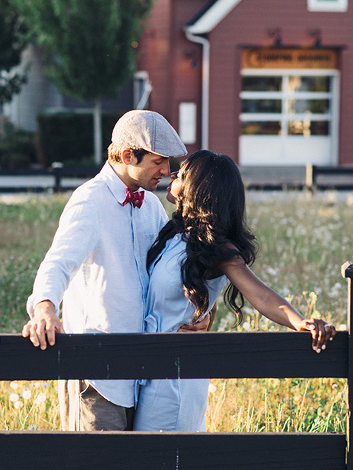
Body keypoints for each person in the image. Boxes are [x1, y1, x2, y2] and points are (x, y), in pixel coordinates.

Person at [133, 150, 337, 432]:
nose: (172, 174)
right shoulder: (175, 234)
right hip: (151, 368)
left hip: (176, 379)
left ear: (199, 187)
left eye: (181, 173)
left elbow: (261, 295)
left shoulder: (218, 248)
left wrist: (299, 321)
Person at [22, 109, 195, 431]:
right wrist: (44, 308)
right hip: (96, 373)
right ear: (129, 155)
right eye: (158, 161)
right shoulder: (89, 201)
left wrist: (197, 313)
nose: (166, 171)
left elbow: (168, 269)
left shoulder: (152, 205)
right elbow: (59, 261)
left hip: (142, 370)